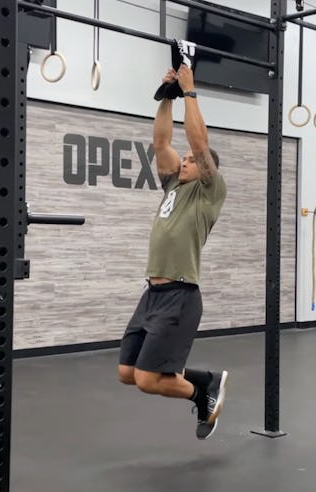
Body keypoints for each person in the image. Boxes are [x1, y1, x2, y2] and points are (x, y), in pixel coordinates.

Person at [118, 64, 228, 440]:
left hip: (181, 295)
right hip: (152, 293)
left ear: (207, 169)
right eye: (185, 159)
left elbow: (199, 143)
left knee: (148, 380)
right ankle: (205, 381)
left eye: (192, 161)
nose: (185, 161)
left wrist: (190, 92)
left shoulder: (210, 192)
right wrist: (167, 96)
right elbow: (162, 143)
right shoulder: (173, 186)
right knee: (128, 373)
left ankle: (203, 392)